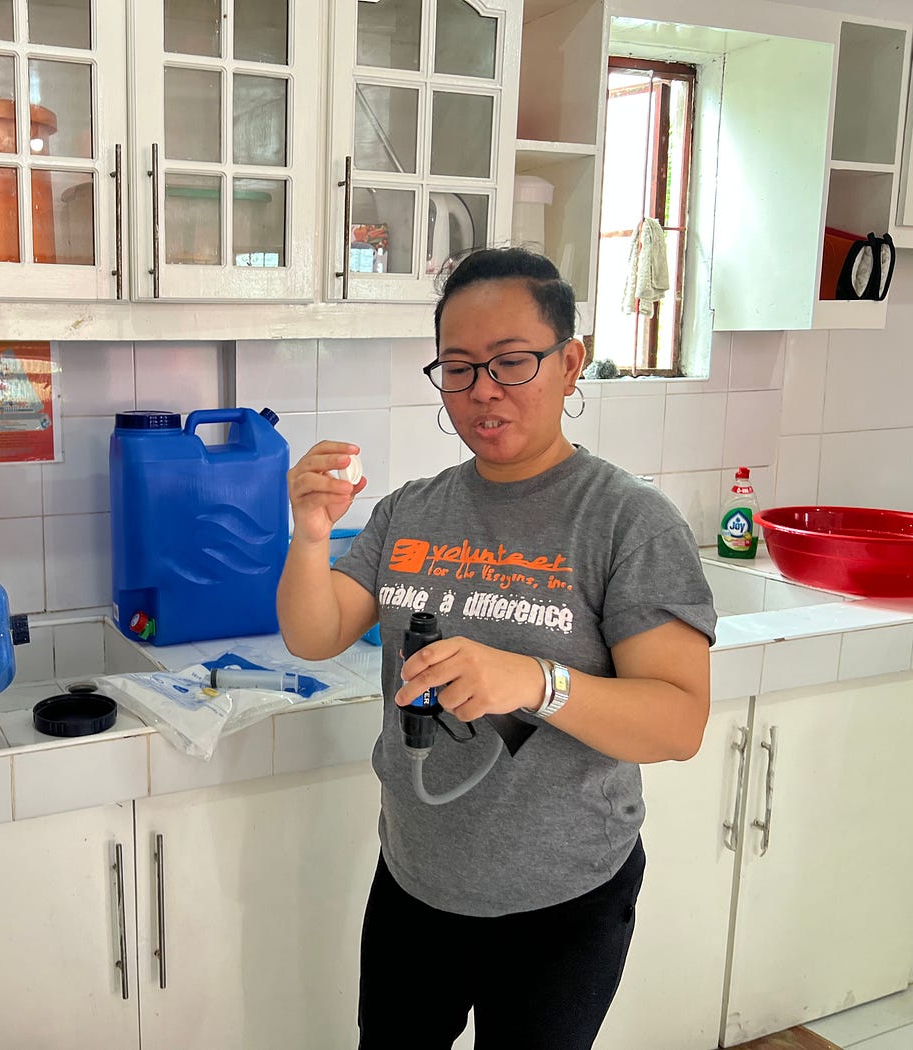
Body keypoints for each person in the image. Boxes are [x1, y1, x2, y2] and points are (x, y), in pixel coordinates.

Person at [277, 247, 716, 1050]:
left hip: (562, 899)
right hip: (416, 881)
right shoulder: (413, 511)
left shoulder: (626, 522)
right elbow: (315, 632)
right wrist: (309, 536)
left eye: (512, 362)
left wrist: (536, 681)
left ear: (569, 362)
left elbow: (678, 721)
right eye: (458, 367)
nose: (483, 390)